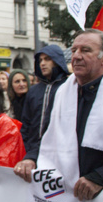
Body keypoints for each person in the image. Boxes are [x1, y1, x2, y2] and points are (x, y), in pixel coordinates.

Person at [16, 29, 103, 201]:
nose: (77, 56)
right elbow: (48, 135)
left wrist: (100, 177)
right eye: (74, 51)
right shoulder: (63, 92)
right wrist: (31, 158)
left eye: (86, 50)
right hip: (66, 196)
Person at [14, 45, 69, 181]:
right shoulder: (33, 91)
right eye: (40, 60)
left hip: (60, 154)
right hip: (31, 155)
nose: (43, 63)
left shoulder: (68, 87)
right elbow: (26, 124)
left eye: (47, 59)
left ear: (57, 60)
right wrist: (26, 150)